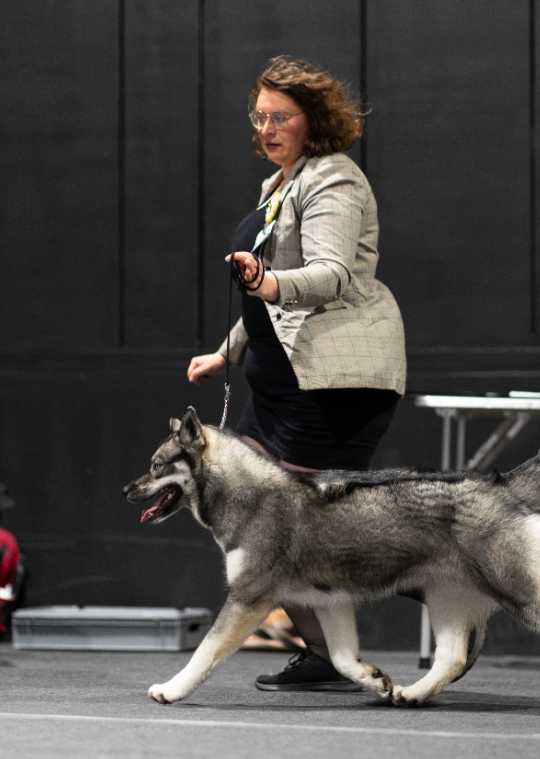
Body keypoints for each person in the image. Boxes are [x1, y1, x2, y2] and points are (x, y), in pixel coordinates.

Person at [185, 56, 406, 691]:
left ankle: (448, 582)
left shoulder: (335, 180)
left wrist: (270, 280)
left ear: (316, 120)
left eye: (281, 117)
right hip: (279, 390)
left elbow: (333, 274)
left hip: (334, 386)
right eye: (259, 116)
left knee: (306, 539)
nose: (267, 127)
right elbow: (263, 293)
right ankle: (323, 653)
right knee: (251, 522)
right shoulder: (280, 184)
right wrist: (227, 352)